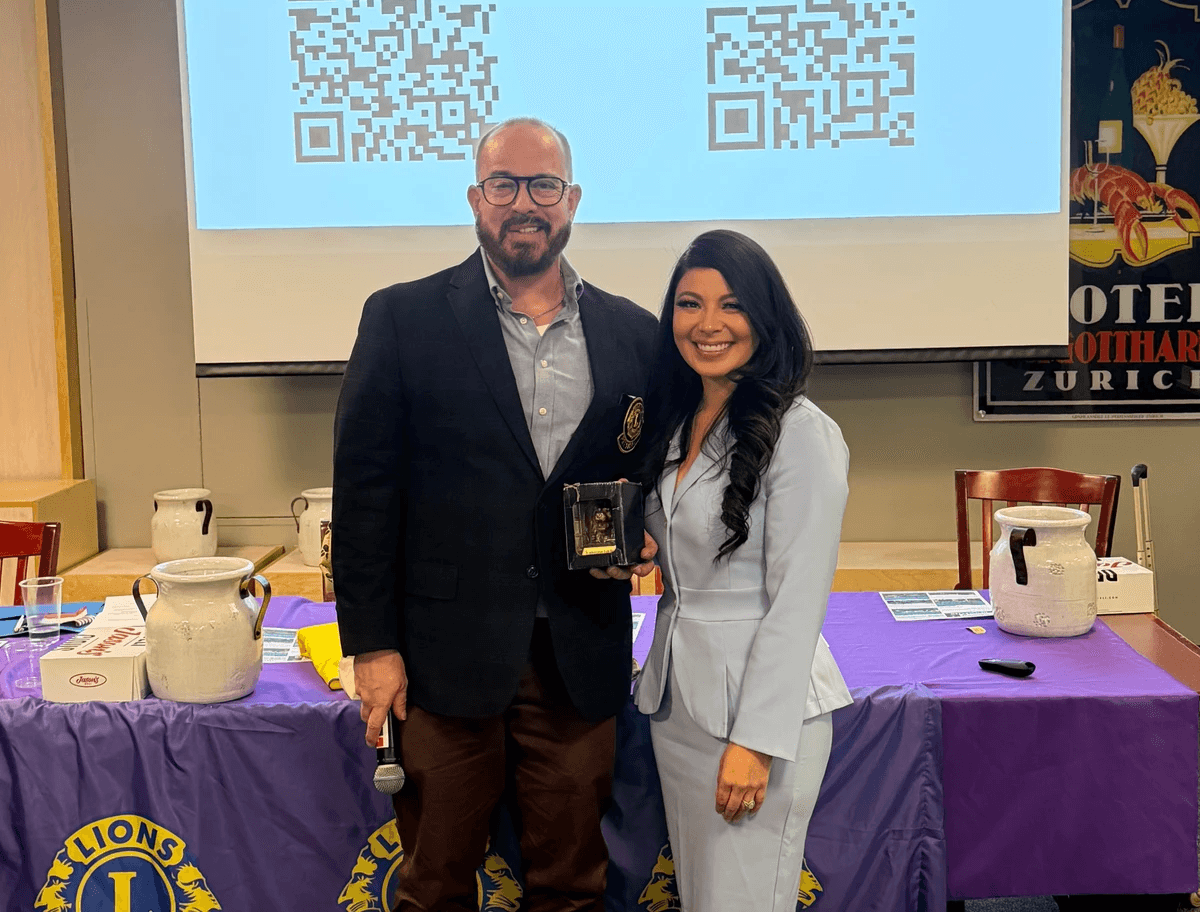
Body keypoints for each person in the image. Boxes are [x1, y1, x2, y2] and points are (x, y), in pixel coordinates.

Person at [332, 117, 658, 912]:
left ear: (571, 199)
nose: (525, 203)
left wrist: (642, 531)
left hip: (578, 654)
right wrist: (371, 645)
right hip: (442, 662)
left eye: (542, 186)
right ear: (476, 199)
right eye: (504, 186)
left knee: (573, 885)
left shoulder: (634, 333)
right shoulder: (402, 319)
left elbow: (644, 473)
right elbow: (364, 493)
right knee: (436, 882)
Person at [633, 229, 853, 911]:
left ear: (766, 316)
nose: (707, 325)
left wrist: (756, 744)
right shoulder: (678, 420)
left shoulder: (801, 432)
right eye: (689, 304)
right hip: (678, 699)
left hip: (756, 715)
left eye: (730, 306)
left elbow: (797, 600)